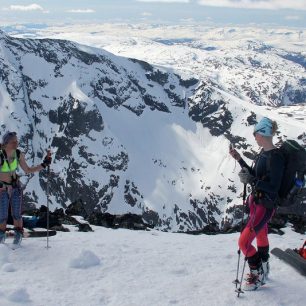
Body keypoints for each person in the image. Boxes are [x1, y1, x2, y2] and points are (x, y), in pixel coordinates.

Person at [229, 117, 285, 291]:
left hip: (264, 205)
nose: (254, 136)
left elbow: (274, 187)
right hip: (257, 202)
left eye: (256, 133)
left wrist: (252, 179)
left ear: (264, 133)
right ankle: (265, 266)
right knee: (261, 234)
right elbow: (257, 175)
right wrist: (239, 160)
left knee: (243, 243)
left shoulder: (276, 158)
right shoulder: (264, 154)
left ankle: (257, 273)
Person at [0, 131, 51, 245]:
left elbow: (27, 170)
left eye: (17, 141)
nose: (16, 143)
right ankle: (1, 234)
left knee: (16, 214)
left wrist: (43, 165)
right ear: (6, 143)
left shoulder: (18, 154)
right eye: (13, 142)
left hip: (15, 188)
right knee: (2, 215)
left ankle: (18, 234)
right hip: (2, 189)